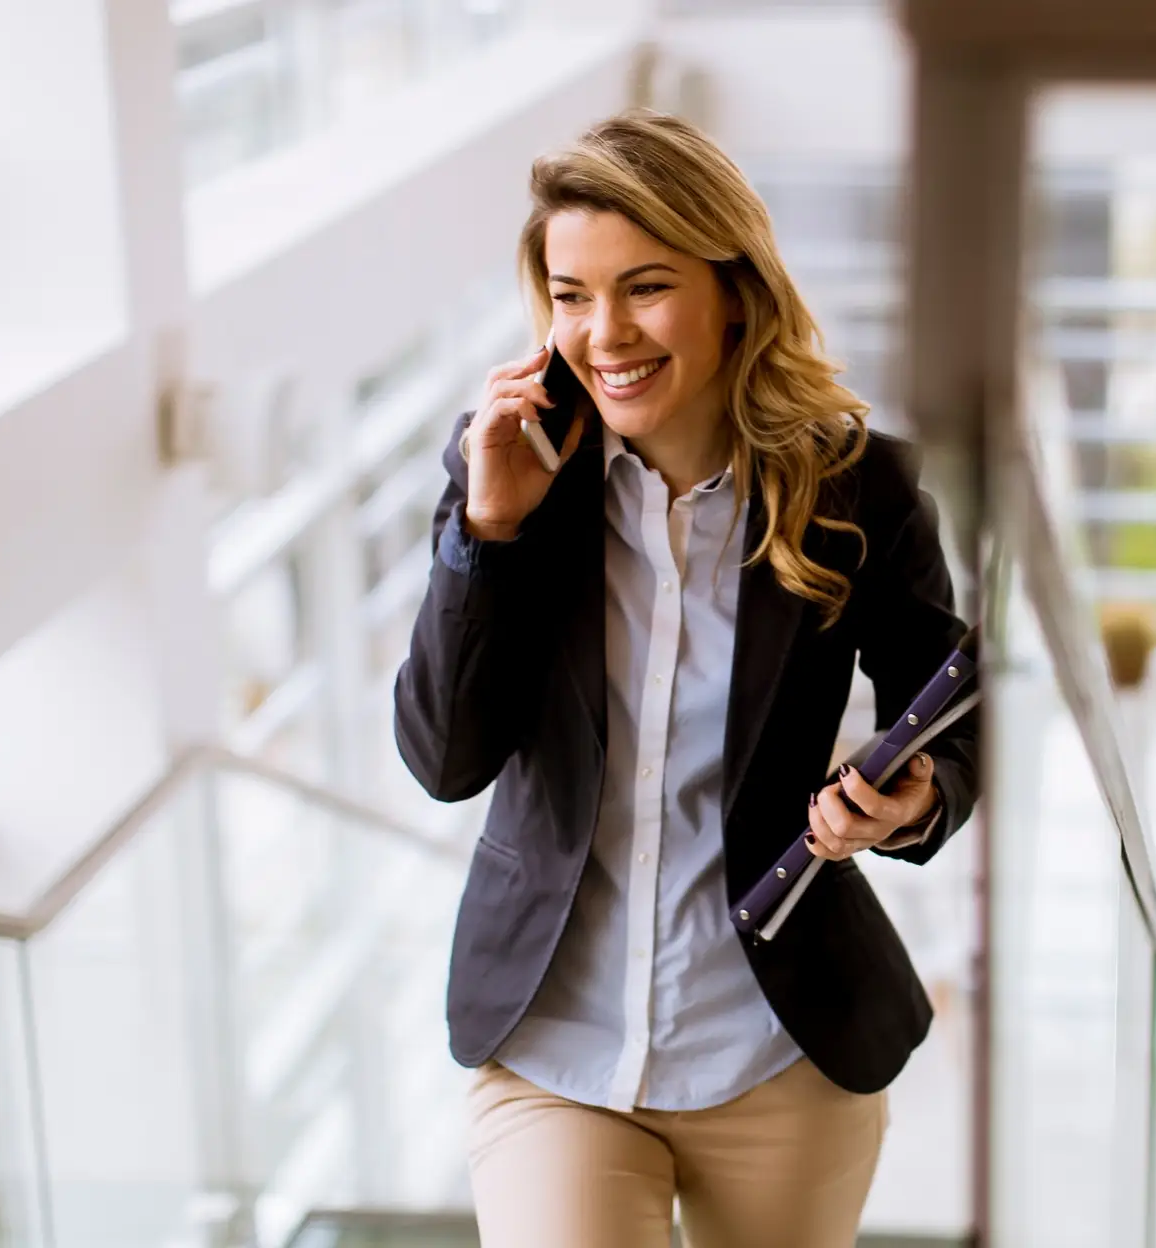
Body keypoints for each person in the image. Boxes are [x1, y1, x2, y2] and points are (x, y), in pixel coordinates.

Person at [392, 110, 980, 1248]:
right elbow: (444, 758)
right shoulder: (506, 468)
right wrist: (486, 534)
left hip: (779, 1050)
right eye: (570, 295)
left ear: (734, 292)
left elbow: (953, 708)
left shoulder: (858, 490)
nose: (603, 332)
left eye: (646, 287)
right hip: (556, 1053)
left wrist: (916, 800)